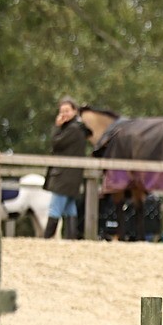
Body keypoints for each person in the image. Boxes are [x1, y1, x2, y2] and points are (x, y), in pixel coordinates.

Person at [43, 96, 90, 239]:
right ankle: (71, 237)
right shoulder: (77, 128)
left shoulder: (72, 129)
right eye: (62, 111)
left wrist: (57, 127)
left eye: (67, 110)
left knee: (55, 207)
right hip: (72, 176)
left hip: (64, 175)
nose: (64, 114)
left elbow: (56, 143)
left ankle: (47, 238)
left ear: (75, 111)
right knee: (70, 208)